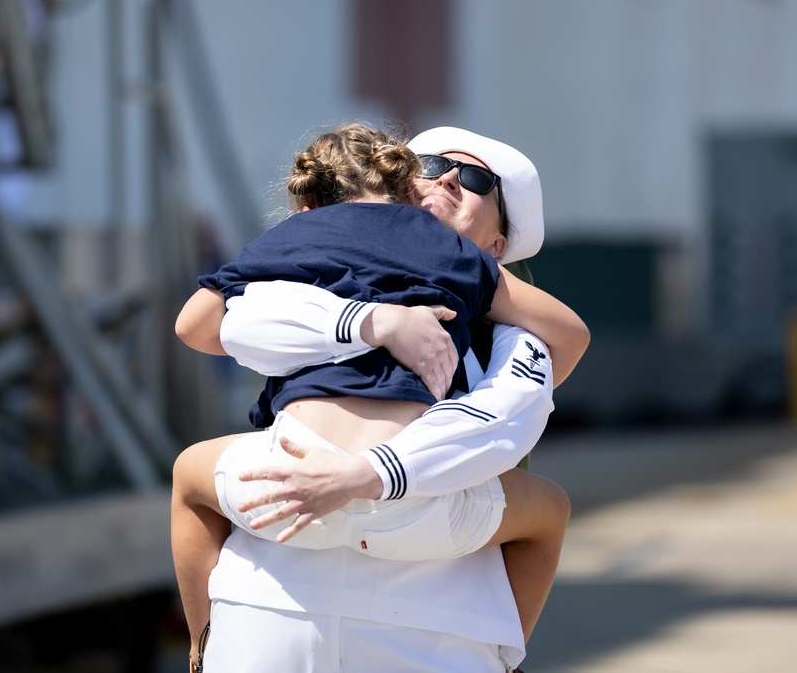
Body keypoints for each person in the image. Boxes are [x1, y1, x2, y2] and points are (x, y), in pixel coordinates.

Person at [172, 124, 589, 672]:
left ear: (497, 247)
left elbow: (526, 385)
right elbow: (215, 323)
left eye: (473, 179)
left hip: (350, 496)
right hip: (395, 514)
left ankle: (201, 648)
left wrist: (373, 468)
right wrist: (377, 321)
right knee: (547, 508)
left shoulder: (479, 287)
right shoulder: (344, 256)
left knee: (190, 473)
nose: (443, 181)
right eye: (430, 167)